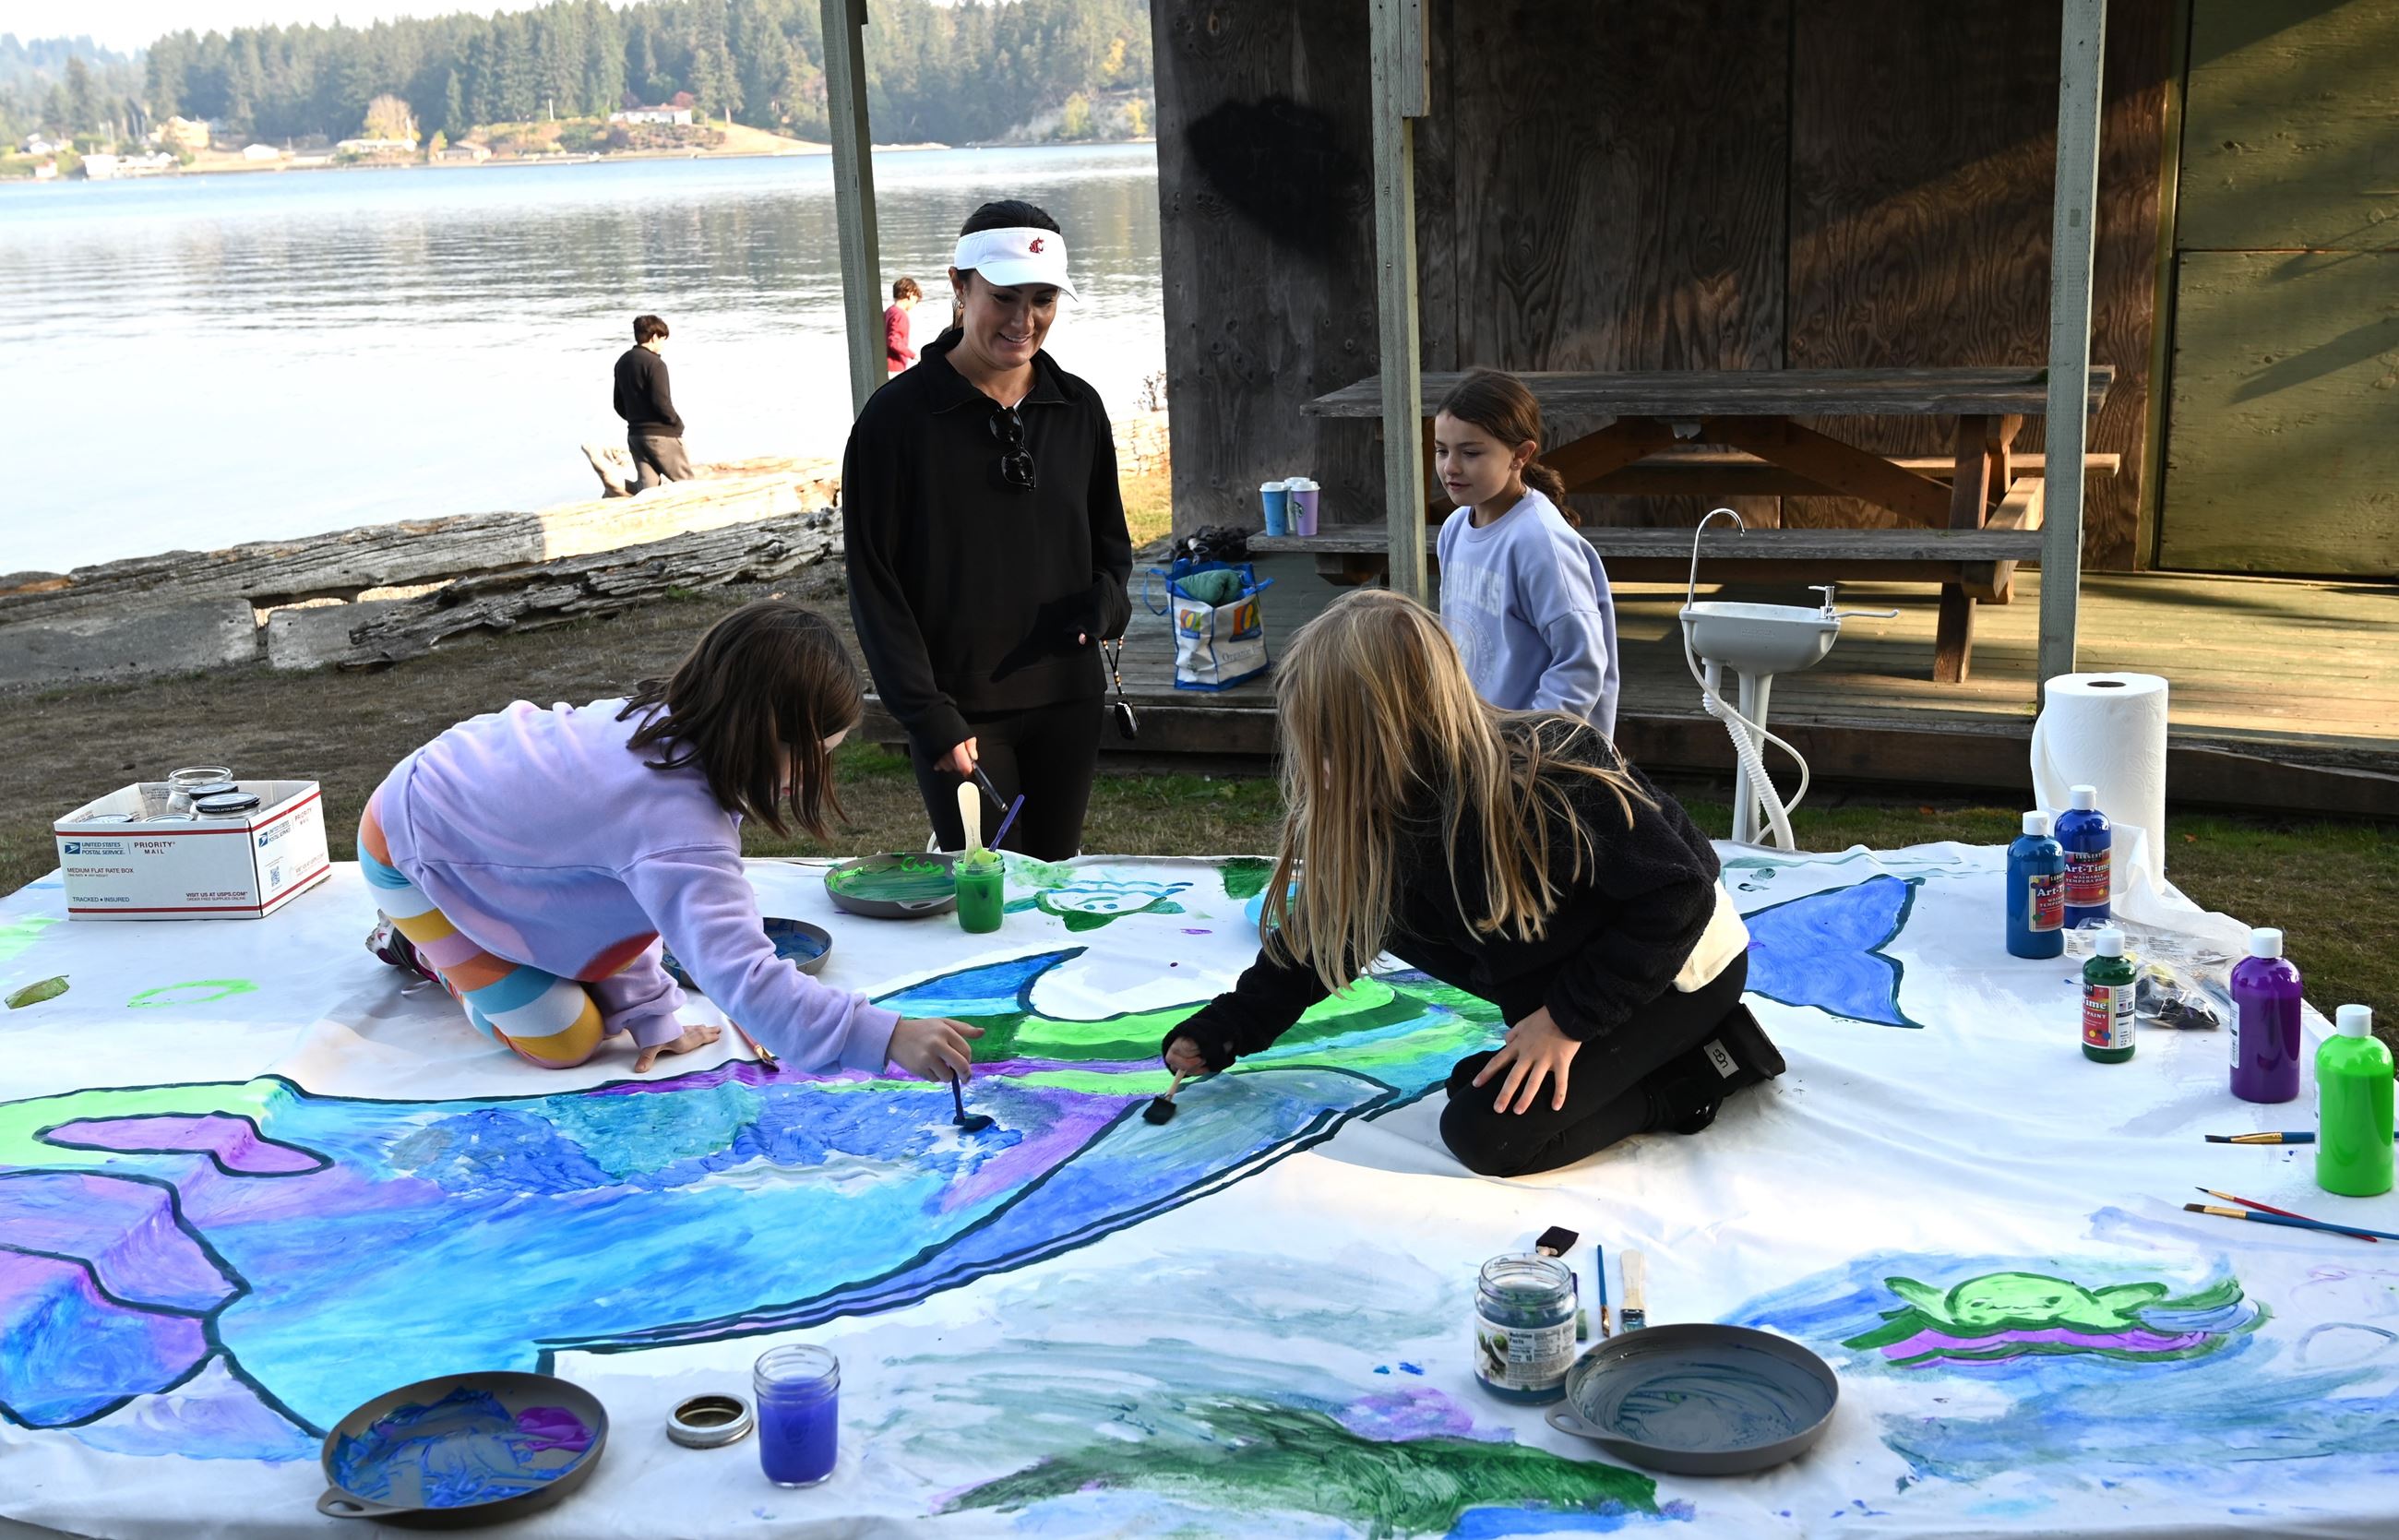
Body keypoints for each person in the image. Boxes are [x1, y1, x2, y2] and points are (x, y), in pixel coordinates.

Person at [1161, 591, 1781, 1177]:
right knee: (1480, 1094)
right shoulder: (1375, 815)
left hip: (1678, 969)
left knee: (1490, 1136)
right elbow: (1322, 939)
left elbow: (1680, 893)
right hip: (1578, 980)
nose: (1318, 770)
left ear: (1395, 732)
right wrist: (1225, 1028)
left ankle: (1702, 1068)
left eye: (1331, 749)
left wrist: (1565, 1022)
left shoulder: (1548, 781)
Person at [359, 600, 982, 1081]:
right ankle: (428, 950)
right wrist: (889, 1034)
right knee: (567, 1041)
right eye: (816, 757)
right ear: (769, 735)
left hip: (477, 811)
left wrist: (649, 1013)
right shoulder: (675, 821)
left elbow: (614, 889)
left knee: (590, 994)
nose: (811, 778)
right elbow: (746, 979)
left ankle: (473, 941)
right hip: (408, 844)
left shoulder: (686, 737)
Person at [843, 199, 1134, 860]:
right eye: (1003, 297)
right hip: (961, 712)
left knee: (1057, 879)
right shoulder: (895, 421)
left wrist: (1107, 602)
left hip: (1068, 699)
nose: (1023, 320)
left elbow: (1112, 547)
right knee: (990, 889)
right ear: (958, 285)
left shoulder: (1079, 408)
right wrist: (926, 713)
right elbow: (873, 584)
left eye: (1042, 299)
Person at [1433, 368, 1619, 737]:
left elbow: (1580, 662)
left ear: (1520, 455)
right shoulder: (1454, 529)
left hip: (1539, 761)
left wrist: (1530, 748)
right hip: (1480, 744)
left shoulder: (1539, 543)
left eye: (1470, 453)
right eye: (1441, 451)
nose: (1450, 467)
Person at [614, 313, 693, 491]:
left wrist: (635, 420)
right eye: (662, 339)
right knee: (688, 485)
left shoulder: (622, 362)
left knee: (648, 491)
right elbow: (661, 402)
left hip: (635, 436)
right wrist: (676, 423)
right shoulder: (655, 364)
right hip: (660, 435)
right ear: (654, 337)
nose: (663, 345)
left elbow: (618, 403)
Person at [886, 277, 922, 374]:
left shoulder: (889, 311)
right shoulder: (900, 314)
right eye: (916, 299)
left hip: (885, 365)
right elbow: (893, 341)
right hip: (895, 367)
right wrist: (915, 356)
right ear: (909, 294)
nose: (915, 304)